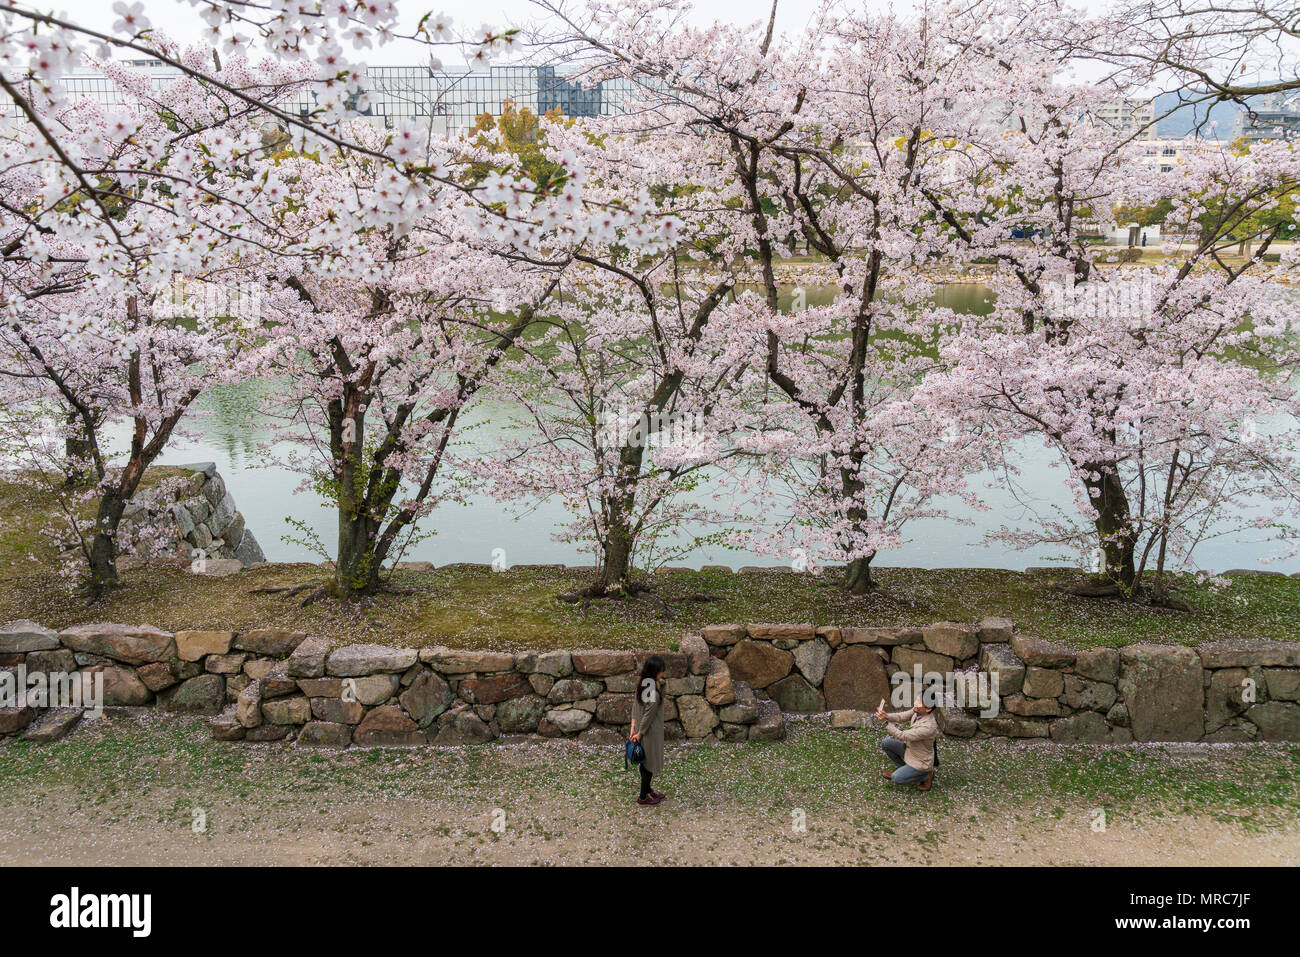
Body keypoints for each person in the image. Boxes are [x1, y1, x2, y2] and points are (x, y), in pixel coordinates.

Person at [875, 695, 939, 791]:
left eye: (919, 702)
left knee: (897, 778)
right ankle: (905, 769)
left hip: (920, 761)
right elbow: (901, 716)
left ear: (928, 709)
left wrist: (885, 722)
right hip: (910, 750)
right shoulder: (918, 710)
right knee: (886, 743)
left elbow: (903, 736)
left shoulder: (928, 727)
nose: (915, 703)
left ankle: (926, 775)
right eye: (917, 699)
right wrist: (887, 716)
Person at [630, 655, 666, 806]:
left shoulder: (644, 684)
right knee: (648, 765)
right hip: (649, 732)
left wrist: (633, 728)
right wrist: (640, 733)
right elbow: (648, 715)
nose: (663, 673)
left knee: (644, 762)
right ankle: (643, 797)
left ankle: (648, 790)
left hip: (640, 730)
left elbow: (636, 706)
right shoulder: (653, 691)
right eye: (661, 670)